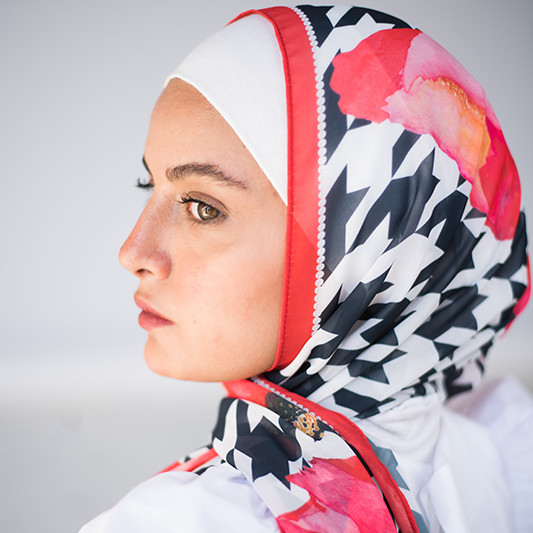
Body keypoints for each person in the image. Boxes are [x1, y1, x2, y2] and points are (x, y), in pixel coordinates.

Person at [80, 4, 532, 532]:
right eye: (149, 186)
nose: (133, 252)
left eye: (203, 208)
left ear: (362, 245)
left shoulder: (188, 519)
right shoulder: (501, 451)